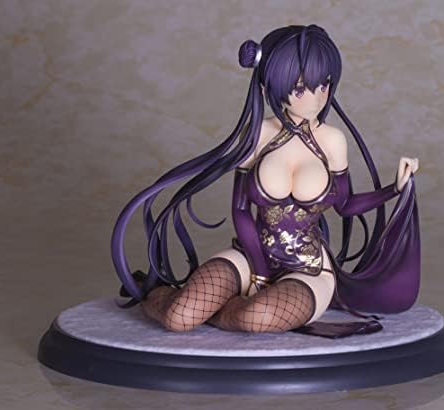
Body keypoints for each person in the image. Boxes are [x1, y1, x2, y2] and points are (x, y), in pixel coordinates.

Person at [111, 24, 421, 337]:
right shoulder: (258, 134)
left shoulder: (332, 140)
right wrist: (259, 272)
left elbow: (345, 205)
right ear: (276, 84)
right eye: (300, 90)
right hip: (248, 257)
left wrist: (393, 189)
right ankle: (150, 290)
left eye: (324, 85)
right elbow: (240, 210)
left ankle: (224, 309)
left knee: (257, 316)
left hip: (308, 269)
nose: (316, 99)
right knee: (180, 316)